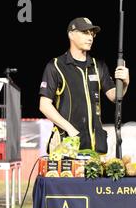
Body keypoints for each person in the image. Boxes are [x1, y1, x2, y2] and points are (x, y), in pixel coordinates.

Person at [39, 17, 129, 153]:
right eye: (85, 33)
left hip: (95, 146)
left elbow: (115, 97)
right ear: (71, 34)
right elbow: (44, 105)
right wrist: (70, 130)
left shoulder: (98, 66)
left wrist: (125, 83)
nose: (90, 37)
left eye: (92, 33)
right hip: (67, 145)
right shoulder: (56, 65)